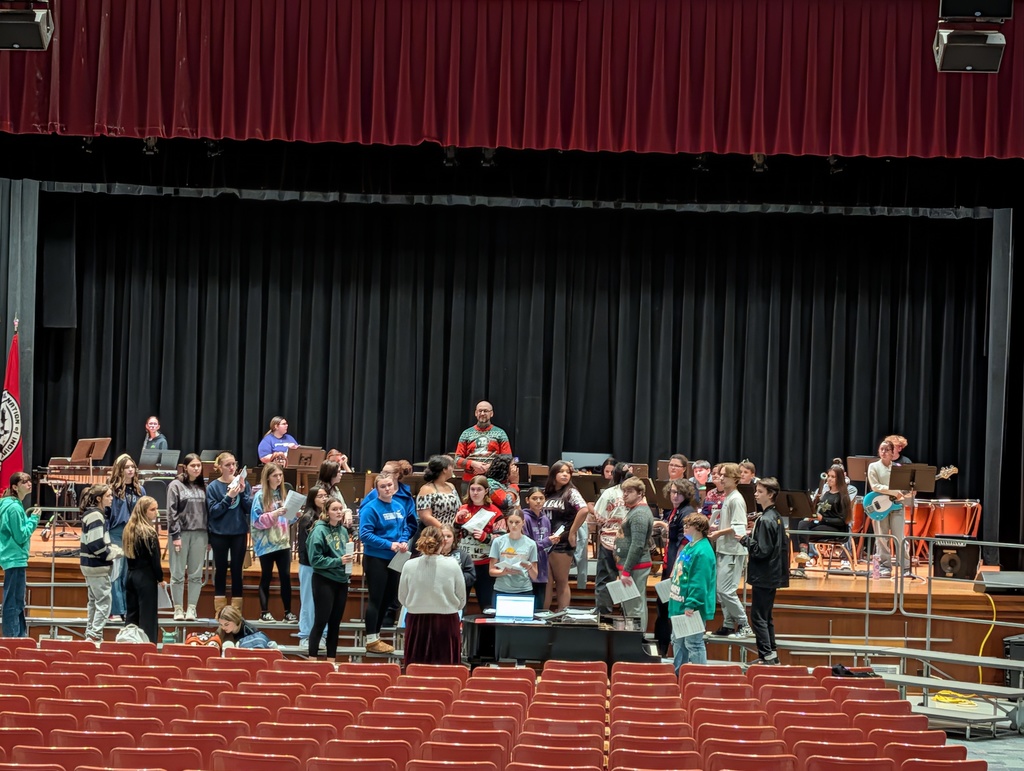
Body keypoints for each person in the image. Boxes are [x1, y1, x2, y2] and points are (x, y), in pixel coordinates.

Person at [739, 477, 789, 665]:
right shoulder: (774, 516)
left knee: (758, 616)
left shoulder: (766, 519)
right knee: (766, 616)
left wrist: (744, 539)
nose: (756, 494)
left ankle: (766, 655)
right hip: (772, 574)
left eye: (760, 492)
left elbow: (761, 551)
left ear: (770, 494)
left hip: (764, 575)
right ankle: (771, 654)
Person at [399, 525, 467, 665]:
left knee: (416, 668)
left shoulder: (408, 565)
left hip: (416, 621)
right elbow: (462, 599)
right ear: (442, 543)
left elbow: (402, 597)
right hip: (446, 622)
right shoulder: (452, 564)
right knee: (444, 670)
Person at [359, 473, 411, 654]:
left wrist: (403, 541)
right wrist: (389, 545)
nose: (387, 488)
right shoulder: (370, 508)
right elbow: (365, 535)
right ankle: (371, 638)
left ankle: (377, 635)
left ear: (394, 486)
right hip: (376, 558)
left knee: (390, 598)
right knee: (376, 598)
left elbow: (404, 528)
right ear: (376, 489)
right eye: (383, 486)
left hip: (396, 558)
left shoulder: (399, 506)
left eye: (389, 485)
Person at [306, 498, 355, 662]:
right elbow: (315, 561)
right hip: (324, 580)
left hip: (341, 580)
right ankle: (312, 660)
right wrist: (338, 561)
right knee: (321, 621)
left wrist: (347, 561)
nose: (339, 512)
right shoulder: (318, 531)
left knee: (335, 623)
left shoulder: (342, 530)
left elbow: (340, 554)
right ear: (326, 512)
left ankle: (331, 661)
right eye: (335, 509)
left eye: (341, 509)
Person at [654, 478, 698, 657]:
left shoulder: (687, 511)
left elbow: (686, 541)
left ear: (686, 494)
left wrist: (676, 568)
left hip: (675, 566)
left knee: (669, 607)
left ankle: (664, 649)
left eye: (678, 492)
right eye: (672, 492)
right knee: (663, 606)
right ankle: (661, 647)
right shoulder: (676, 510)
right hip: (669, 562)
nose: (674, 495)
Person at [668, 512, 716, 673]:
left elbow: (699, 581)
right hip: (679, 603)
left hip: (691, 607)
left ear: (698, 528)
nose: (684, 528)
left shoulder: (703, 551)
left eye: (687, 525)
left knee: (693, 643)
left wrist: (692, 603)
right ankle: (679, 675)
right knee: (678, 641)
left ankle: (698, 677)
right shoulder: (690, 546)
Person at [206, 452, 252, 616]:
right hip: (220, 533)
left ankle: (236, 610)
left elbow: (249, 508)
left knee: (236, 569)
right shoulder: (213, 487)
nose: (232, 467)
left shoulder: (242, 483)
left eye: (234, 464)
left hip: (238, 532)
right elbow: (214, 512)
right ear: (219, 467)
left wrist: (241, 492)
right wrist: (229, 496)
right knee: (221, 568)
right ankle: (220, 608)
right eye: (228, 465)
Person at [708, 462, 751, 638]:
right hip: (725, 549)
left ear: (735, 478)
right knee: (720, 590)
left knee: (726, 590)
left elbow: (739, 527)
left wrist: (718, 532)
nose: (721, 478)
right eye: (720, 474)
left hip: (733, 551)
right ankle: (727, 624)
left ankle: (744, 624)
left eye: (725, 475)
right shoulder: (728, 498)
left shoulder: (736, 499)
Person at [543, 460, 592, 611]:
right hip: (546, 542)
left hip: (562, 542)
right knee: (547, 582)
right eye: (561, 472)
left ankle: (562, 614)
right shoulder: (548, 493)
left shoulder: (571, 492)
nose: (565, 474)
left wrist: (572, 532)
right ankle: (544, 613)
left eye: (568, 472)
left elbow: (584, 509)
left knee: (561, 581)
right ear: (554, 474)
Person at [250, 462, 295, 623]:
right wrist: (275, 513)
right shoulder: (260, 496)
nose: (279, 478)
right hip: (266, 543)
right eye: (275, 475)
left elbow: (289, 519)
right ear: (268, 477)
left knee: (286, 577)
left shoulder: (283, 494)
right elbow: (256, 521)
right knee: (266, 576)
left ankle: (288, 612)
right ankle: (264, 612)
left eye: (280, 475)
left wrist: (294, 512)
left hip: (282, 541)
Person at [454, 475, 505, 612]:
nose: (475, 493)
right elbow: (451, 535)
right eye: (472, 489)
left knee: (487, 605)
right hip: (464, 564)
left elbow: (502, 539)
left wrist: (486, 537)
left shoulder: (495, 512)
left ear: (486, 491)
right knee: (459, 604)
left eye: (479, 489)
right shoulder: (463, 508)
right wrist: (457, 522)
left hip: (485, 564)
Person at [166, 453, 208, 621]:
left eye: (199, 465)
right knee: (177, 573)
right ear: (185, 467)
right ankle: (177, 609)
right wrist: (176, 535)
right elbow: (171, 512)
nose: (196, 468)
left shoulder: (204, 486)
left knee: (196, 574)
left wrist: (209, 537)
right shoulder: (175, 485)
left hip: (200, 533)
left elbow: (208, 512)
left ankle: (191, 608)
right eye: (193, 466)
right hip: (181, 534)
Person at [79, 484, 122, 645]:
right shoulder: (96, 516)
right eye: (108, 496)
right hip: (96, 565)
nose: (112, 498)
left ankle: (90, 632)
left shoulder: (91, 514)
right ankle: (94, 635)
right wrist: (111, 553)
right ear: (99, 499)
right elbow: (96, 543)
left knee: (93, 602)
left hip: (88, 565)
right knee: (104, 602)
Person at [0, 472, 40, 637]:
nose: (29, 484)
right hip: (15, 559)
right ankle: (13, 639)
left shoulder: (7, 504)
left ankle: (20, 636)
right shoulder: (15, 507)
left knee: (17, 602)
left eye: (29, 481)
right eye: (24, 482)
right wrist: (34, 520)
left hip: (12, 558)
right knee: (13, 603)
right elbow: (21, 535)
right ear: (15, 487)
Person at [107, 454, 146, 623]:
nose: (131, 469)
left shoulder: (140, 489)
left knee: (128, 574)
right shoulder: (113, 489)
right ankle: (116, 610)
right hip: (117, 532)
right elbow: (108, 514)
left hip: (134, 533)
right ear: (120, 470)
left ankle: (128, 610)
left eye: (133, 467)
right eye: (127, 467)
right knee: (116, 573)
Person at [795, 464, 853, 573]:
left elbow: (842, 521)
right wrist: (812, 513)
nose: (829, 479)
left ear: (839, 479)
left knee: (806, 532)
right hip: (823, 525)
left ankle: (801, 564)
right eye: (829, 476)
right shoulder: (826, 494)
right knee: (802, 524)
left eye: (833, 477)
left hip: (836, 528)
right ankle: (803, 555)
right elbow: (820, 512)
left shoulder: (843, 497)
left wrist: (822, 519)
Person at [592, 462, 633, 616]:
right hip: (628, 540)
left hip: (609, 540)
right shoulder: (637, 493)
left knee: (605, 579)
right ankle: (627, 616)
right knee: (627, 579)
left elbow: (599, 516)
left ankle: (604, 616)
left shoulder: (609, 493)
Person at [123, 495, 165, 643]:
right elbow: (155, 561)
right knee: (148, 619)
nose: (156, 512)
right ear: (143, 511)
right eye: (152, 509)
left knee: (131, 617)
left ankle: (128, 645)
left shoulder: (129, 529)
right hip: (145, 579)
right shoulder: (149, 533)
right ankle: (148, 650)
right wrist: (160, 578)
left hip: (130, 576)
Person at [868, 439, 911, 577]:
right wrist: (894, 491)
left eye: (887, 449)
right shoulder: (873, 466)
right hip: (880, 506)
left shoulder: (899, 467)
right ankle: (884, 567)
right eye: (881, 449)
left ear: (893, 453)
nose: (884, 452)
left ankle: (905, 567)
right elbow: (875, 486)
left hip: (897, 506)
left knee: (899, 537)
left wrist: (909, 491)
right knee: (882, 537)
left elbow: (904, 488)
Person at [618, 477, 654, 631]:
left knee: (634, 605)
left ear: (640, 493)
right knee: (631, 604)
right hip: (632, 565)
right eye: (624, 491)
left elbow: (637, 545)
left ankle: (636, 641)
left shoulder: (639, 514)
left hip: (635, 566)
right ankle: (634, 639)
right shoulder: (635, 511)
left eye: (630, 491)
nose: (625, 494)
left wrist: (626, 570)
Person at [296, 484, 329, 648]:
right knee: (308, 600)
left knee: (324, 601)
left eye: (325, 496)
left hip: (325, 566)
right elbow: (306, 547)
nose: (324, 499)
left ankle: (322, 633)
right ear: (312, 499)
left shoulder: (328, 516)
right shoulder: (308, 518)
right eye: (320, 496)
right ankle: (305, 635)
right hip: (309, 566)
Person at [454, 401, 513, 480]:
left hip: (494, 479)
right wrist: (473, 464)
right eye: (480, 411)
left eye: (485, 411)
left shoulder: (500, 433)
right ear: (475, 413)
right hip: (470, 480)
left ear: (491, 414)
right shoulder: (466, 433)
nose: (482, 413)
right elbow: (457, 460)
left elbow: (507, 458)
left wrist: (491, 467)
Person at [489, 508, 539, 597]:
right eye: (511, 522)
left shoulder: (531, 544)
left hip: (524, 590)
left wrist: (529, 567)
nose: (513, 525)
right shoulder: (498, 541)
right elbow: (491, 571)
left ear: (523, 523)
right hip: (501, 589)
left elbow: (534, 576)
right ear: (507, 522)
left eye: (517, 522)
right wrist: (503, 572)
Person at [415, 455, 461, 540]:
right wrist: (444, 529)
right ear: (444, 469)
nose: (453, 469)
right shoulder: (426, 489)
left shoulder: (451, 486)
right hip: (435, 535)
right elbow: (425, 517)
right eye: (451, 466)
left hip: (453, 533)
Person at [520, 486, 552, 611]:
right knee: (528, 606)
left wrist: (552, 541)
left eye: (541, 498)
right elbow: (528, 545)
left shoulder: (546, 519)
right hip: (529, 566)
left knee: (539, 605)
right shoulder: (525, 518)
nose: (538, 501)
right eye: (534, 498)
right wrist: (547, 541)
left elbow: (547, 543)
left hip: (542, 565)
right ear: (527, 500)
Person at [440, 522, 476, 595]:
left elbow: (471, 577)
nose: (445, 539)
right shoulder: (431, 555)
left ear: (454, 538)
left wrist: (454, 578)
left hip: (457, 596)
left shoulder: (463, 555)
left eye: (449, 536)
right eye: (442, 536)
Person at [317, 460, 354, 527]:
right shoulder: (321, 491)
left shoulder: (335, 489)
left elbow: (343, 506)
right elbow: (330, 510)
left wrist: (347, 511)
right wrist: (346, 511)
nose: (341, 474)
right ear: (331, 473)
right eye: (339, 472)